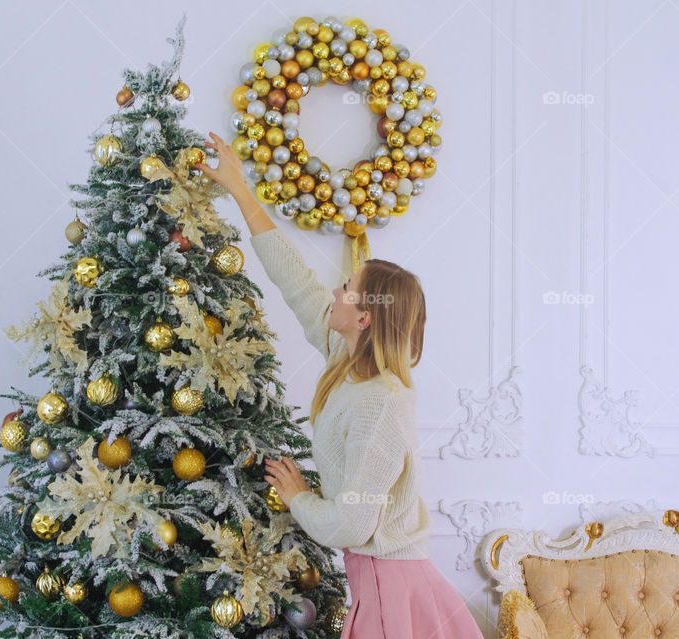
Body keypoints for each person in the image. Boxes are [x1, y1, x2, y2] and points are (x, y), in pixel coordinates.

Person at [195, 132, 484, 639]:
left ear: (366, 318)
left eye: (347, 289)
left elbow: (352, 525)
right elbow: (295, 279)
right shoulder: (345, 360)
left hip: (391, 590)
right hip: (376, 585)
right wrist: (240, 189)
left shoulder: (381, 403)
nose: (335, 290)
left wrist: (299, 496)